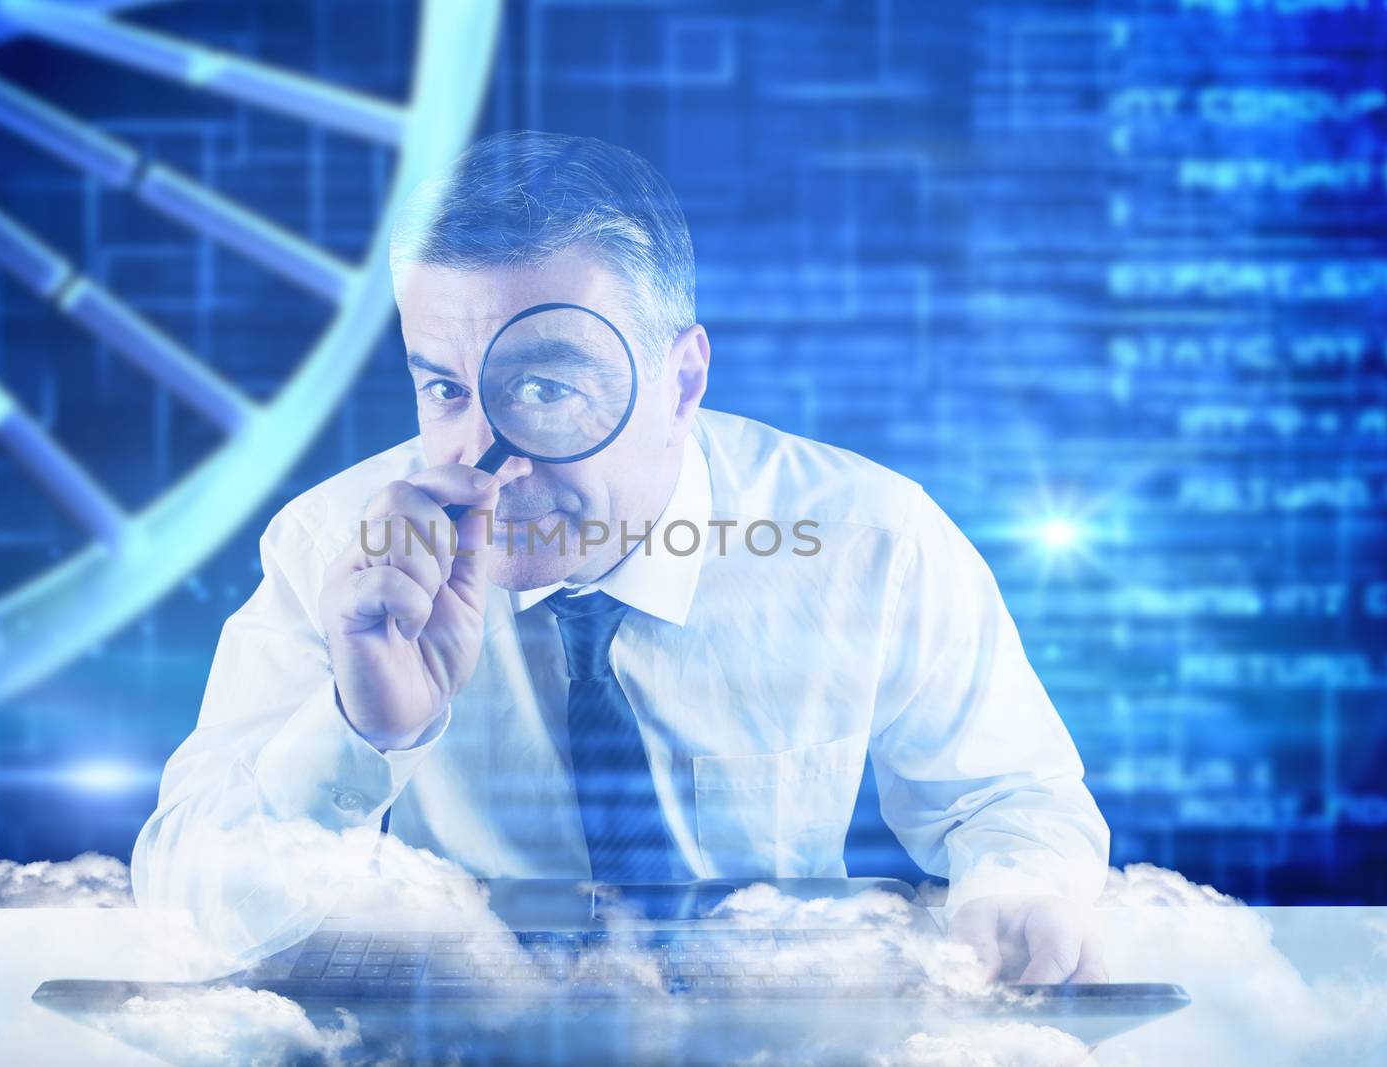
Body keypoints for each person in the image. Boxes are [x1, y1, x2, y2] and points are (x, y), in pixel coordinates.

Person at [132, 130, 1110, 985]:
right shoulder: (340, 553)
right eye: (441, 388)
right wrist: (356, 728)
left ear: (681, 380)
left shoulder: (869, 542)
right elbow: (187, 907)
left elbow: (1007, 796)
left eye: (547, 387)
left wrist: (1016, 892)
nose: (477, 453)